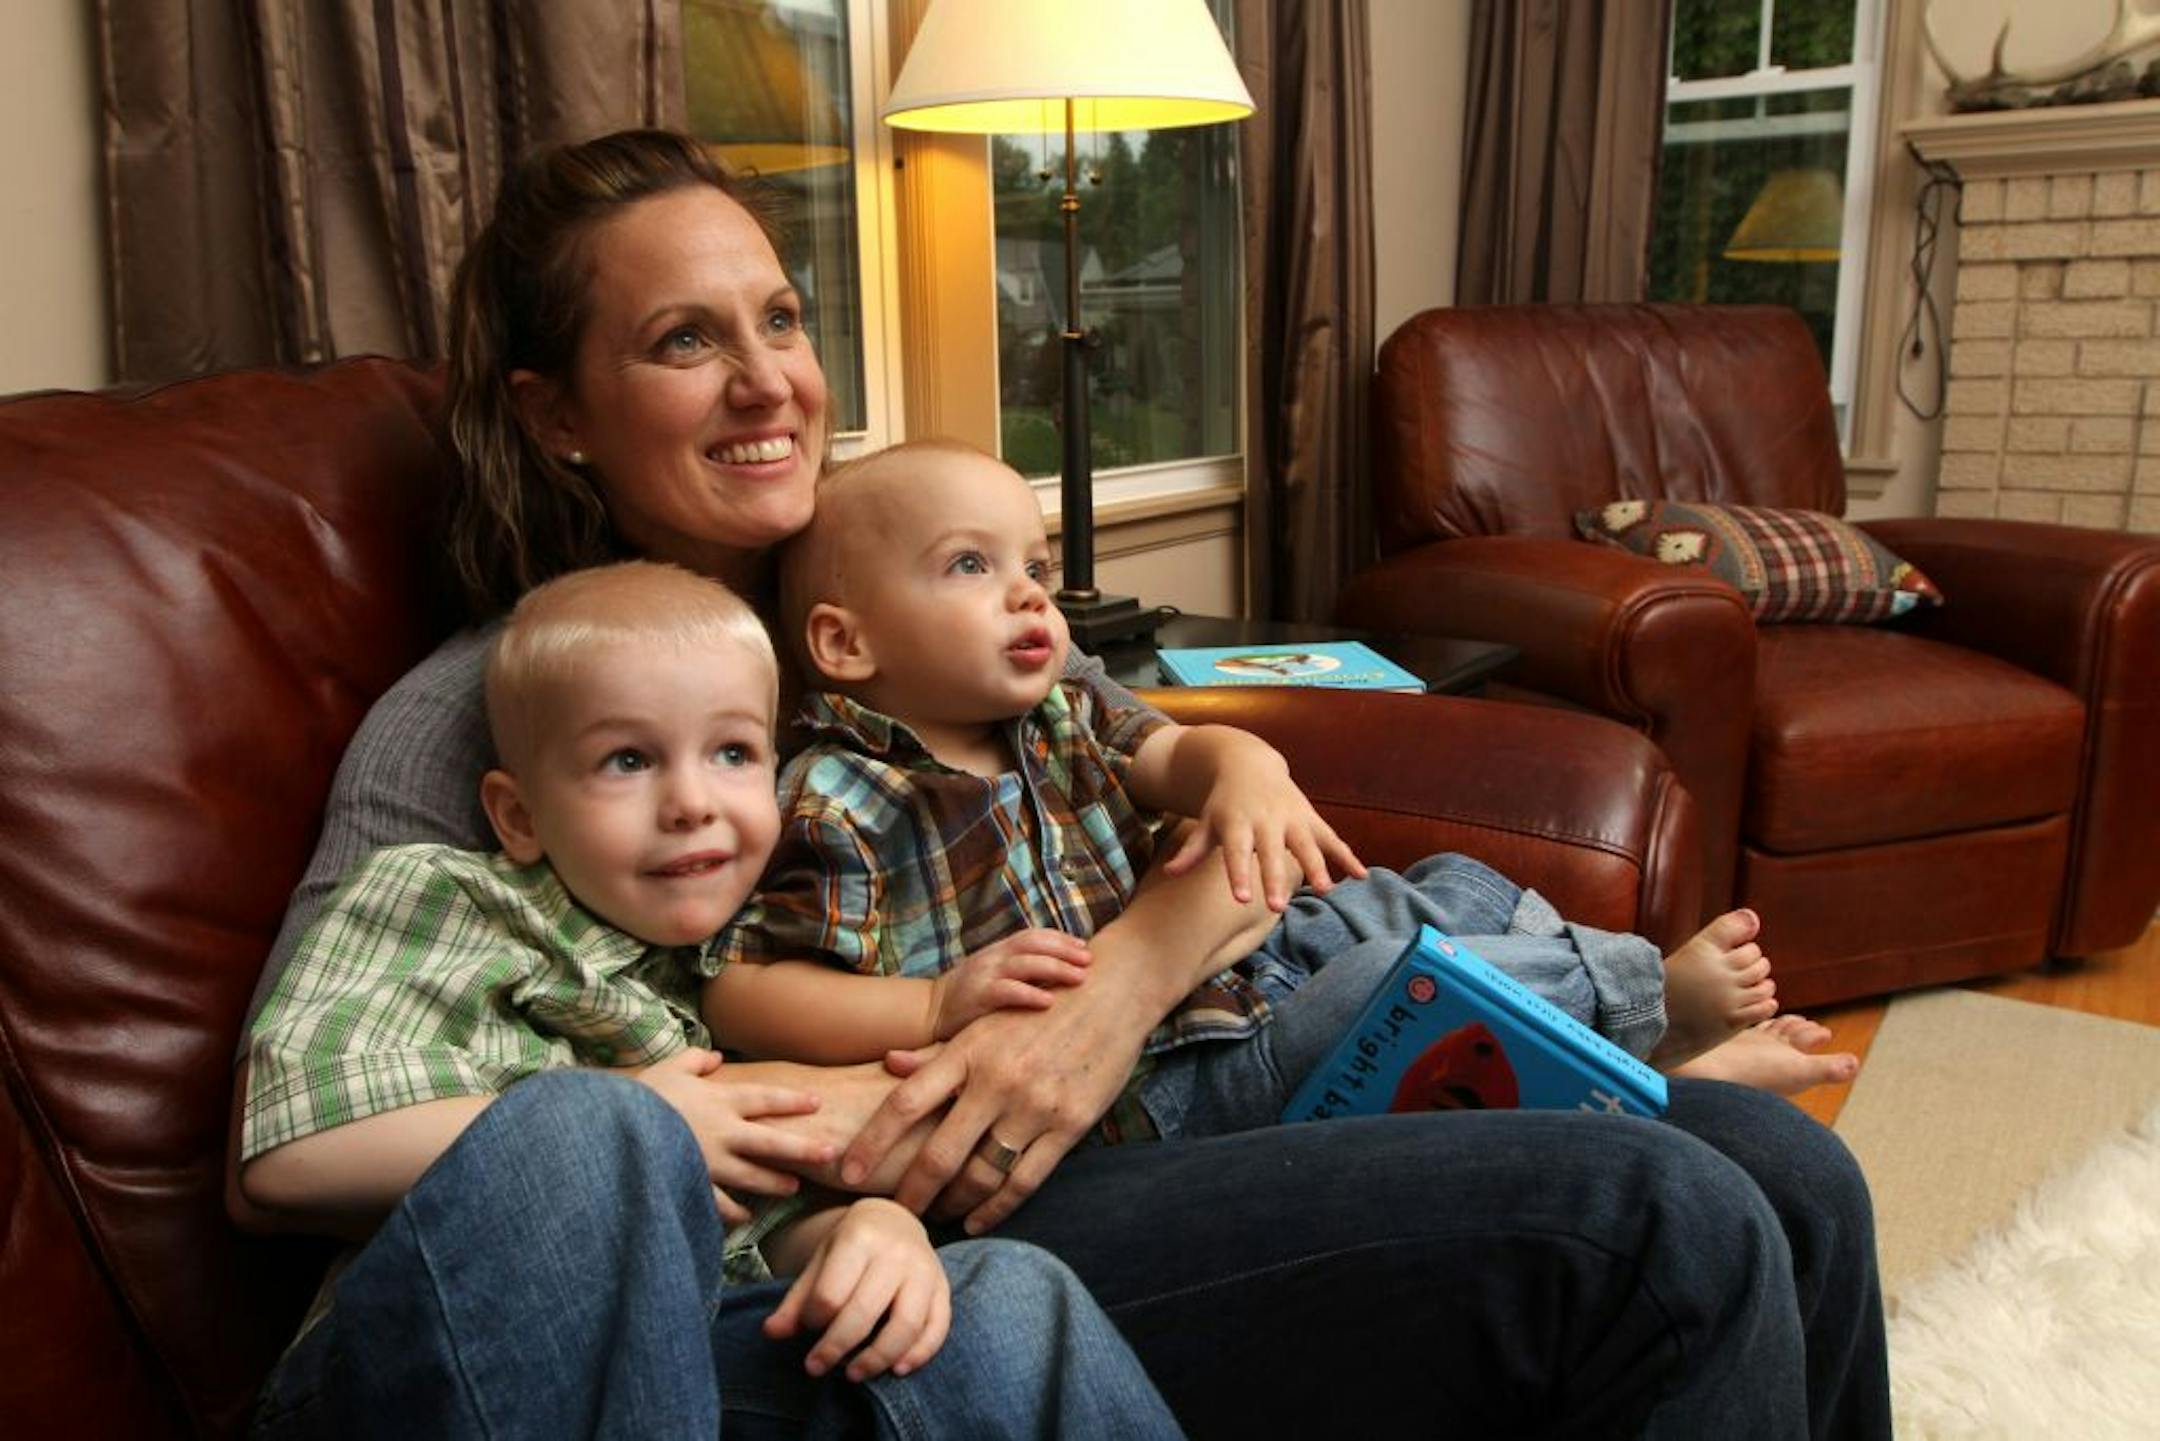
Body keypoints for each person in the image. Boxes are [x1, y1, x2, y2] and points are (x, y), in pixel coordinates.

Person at [230, 127, 1889, 1438]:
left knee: (1788, 1170)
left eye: (781, 319)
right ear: (557, 415)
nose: (766, 381)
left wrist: (1109, 986)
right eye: (683, 340)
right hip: (930, 1218)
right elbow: (402, 1146)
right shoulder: (486, 717)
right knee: (1654, 1212)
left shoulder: (908, 587)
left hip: (1122, 1088)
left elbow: (1181, 778)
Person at [241, 559, 1181, 1436]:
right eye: (627, 761)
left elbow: (754, 1241)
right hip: (436, 1368)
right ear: (519, 816)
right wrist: (650, 1119)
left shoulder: (749, 977)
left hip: (680, 1363)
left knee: (1014, 1300)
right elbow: (286, 1157)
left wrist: (871, 1229)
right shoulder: (459, 901)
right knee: (591, 1124)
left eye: (733, 754)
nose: (692, 801)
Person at [704, 439, 1813, 1145]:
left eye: (1036, 566)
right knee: (1386, 988)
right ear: (845, 644)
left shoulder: (1056, 711)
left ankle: (1624, 1047)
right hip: (1148, 1090)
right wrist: (931, 1009)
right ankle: (1648, 1012)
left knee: (1436, 890)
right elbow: (746, 990)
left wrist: (1238, 770)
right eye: (969, 567)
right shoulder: (843, 795)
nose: (1031, 597)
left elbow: (1172, 755)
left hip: (1224, 972)